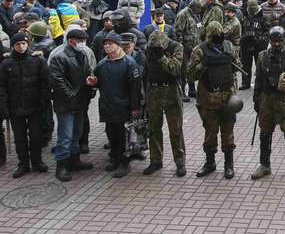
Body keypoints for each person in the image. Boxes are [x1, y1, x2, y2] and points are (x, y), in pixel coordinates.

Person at [189, 21, 240, 179]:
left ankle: (229, 165)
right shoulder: (199, 50)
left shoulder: (229, 47)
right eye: (214, 37)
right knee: (210, 132)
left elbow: (237, 67)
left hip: (227, 96)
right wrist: (204, 66)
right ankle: (210, 163)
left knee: (228, 132)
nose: (218, 39)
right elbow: (191, 75)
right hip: (208, 99)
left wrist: (232, 63)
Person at [251, 27, 285, 182]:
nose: (277, 44)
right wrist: (256, 100)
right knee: (265, 133)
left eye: (280, 41)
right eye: (274, 41)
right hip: (266, 100)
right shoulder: (262, 56)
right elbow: (258, 79)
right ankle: (264, 164)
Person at [93, 31, 142, 178]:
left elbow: (135, 88)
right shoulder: (102, 64)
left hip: (124, 106)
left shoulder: (129, 63)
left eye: (110, 44)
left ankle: (124, 163)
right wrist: (93, 83)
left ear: (118, 45)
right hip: (108, 106)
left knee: (123, 137)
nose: (107, 47)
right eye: (105, 44)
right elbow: (97, 81)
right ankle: (115, 159)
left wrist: (135, 108)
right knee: (111, 135)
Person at [48, 27, 95, 182]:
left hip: (80, 102)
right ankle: (61, 166)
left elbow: (87, 72)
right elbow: (58, 81)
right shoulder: (59, 56)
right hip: (66, 105)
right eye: (80, 41)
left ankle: (75, 161)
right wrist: (72, 95)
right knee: (65, 136)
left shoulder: (82, 54)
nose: (83, 44)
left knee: (76, 134)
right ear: (71, 40)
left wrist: (90, 84)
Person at [0, 33, 49, 177]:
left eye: (23, 43)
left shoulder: (38, 60)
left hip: (34, 106)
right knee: (20, 139)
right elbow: (2, 87)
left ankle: (37, 161)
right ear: (12, 46)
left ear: (28, 44)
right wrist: (4, 107)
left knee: (35, 136)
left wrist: (44, 102)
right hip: (15, 107)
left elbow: (45, 83)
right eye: (17, 44)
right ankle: (23, 164)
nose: (21, 47)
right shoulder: (6, 64)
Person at [142, 29, 186, 177]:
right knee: (153, 128)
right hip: (153, 90)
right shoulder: (149, 48)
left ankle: (180, 162)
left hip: (171, 91)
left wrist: (161, 57)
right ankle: (155, 160)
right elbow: (145, 71)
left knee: (175, 129)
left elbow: (174, 70)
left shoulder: (176, 47)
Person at [175, 0, 203, 99]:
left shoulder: (196, 15)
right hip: (185, 48)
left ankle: (192, 90)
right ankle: (182, 92)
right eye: (198, 9)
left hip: (194, 48)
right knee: (183, 71)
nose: (199, 11)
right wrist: (180, 47)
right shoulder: (183, 14)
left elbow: (198, 28)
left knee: (192, 69)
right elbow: (178, 31)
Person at [239, 0, 268, 90]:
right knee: (245, 65)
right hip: (246, 45)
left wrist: (259, 39)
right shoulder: (245, 18)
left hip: (259, 46)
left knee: (260, 65)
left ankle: (261, 83)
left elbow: (267, 33)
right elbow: (241, 31)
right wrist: (243, 38)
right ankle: (245, 83)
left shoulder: (263, 18)